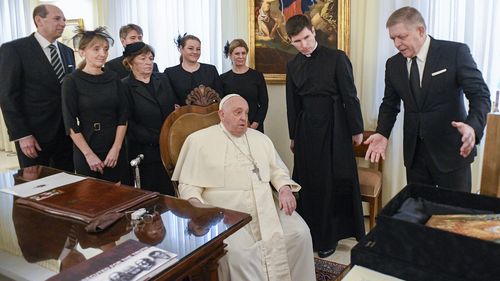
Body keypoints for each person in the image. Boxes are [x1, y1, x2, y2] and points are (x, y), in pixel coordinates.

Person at [172, 94, 315, 281]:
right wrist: (198, 208)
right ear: (221, 114)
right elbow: (188, 184)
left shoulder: (260, 139)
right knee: (240, 255)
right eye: (237, 112)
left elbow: (277, 170)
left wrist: (284, 189)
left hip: (265, 205)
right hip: (225, 213)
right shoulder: (199, 141)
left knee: (300, 234)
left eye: (246, 113)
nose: (244, 118)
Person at [364, 7, 491, 192]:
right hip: (415, 156)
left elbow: (480, 94)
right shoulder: (393, 64)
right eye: (393, 38)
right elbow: (390, 104)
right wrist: (382, 133)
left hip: (451, 153)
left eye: (402, 37)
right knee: (419, 212)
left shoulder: (454, 53)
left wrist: (473, 126)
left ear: (421, 31)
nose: (397, 44)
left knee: (455, 215)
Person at [285, 14, 365, 258]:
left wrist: (357, 129)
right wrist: (293, 136)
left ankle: (330, 237)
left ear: (313, 31)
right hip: (306, 128)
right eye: (297, 41)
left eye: (307, 38)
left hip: (335, 127)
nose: (304, 45)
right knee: (309, 183)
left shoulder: (337, 57)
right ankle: (311, 234)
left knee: (332, 181)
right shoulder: (293, 65)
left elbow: (350, 95)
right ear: (290, 41)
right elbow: (292, 102)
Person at [0, 4, 75, 171]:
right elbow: (7, 96)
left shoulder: (67, 52)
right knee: (35, 189)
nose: (63, 23)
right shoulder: (14, 49)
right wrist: (22, 135)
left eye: (64, 19)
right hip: (34, 136)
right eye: (57, 18)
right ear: (39, 20)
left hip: (66, 135)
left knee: (68, 187)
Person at [62, 27, 129, 183]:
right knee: (90, 199)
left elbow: (123, 116)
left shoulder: (114, 78)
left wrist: (116, 148)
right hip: (86, 145)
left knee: (118, 197)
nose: (103, 54)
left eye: (105, 49)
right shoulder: (71, 81)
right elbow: (70, 123)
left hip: (114, 145)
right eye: (96, 49)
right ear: (82, 52)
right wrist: (89, 155)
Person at [122, 42, 178, 195]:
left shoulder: (162, 79)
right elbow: (128, 123)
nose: (148, 62)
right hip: (145, 151)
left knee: (172, 194)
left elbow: (173, 108)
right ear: (130, 62)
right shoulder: (124, 86)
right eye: (143, 59)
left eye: (151, 58)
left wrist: (169, 136)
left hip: (169, 147)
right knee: (151, 196)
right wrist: (157, 138)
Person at [220, 39, 269, 132]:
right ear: (230, 55)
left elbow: (264, 103)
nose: (241, 56)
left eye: (243, 53)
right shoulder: (223, 79)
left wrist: (255, 124)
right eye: (237, 54)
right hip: (231, 127)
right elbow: (222, 105)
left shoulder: (257, 76)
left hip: (254, 126)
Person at [164, 34, 222, 105]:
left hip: (209, 114)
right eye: (190, 48)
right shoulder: (170, 73)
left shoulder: (211, 70)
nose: (195, 52)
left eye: (198, 49)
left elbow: (220, 96)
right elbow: (169, 100)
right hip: (182, 115)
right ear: (181, 49)